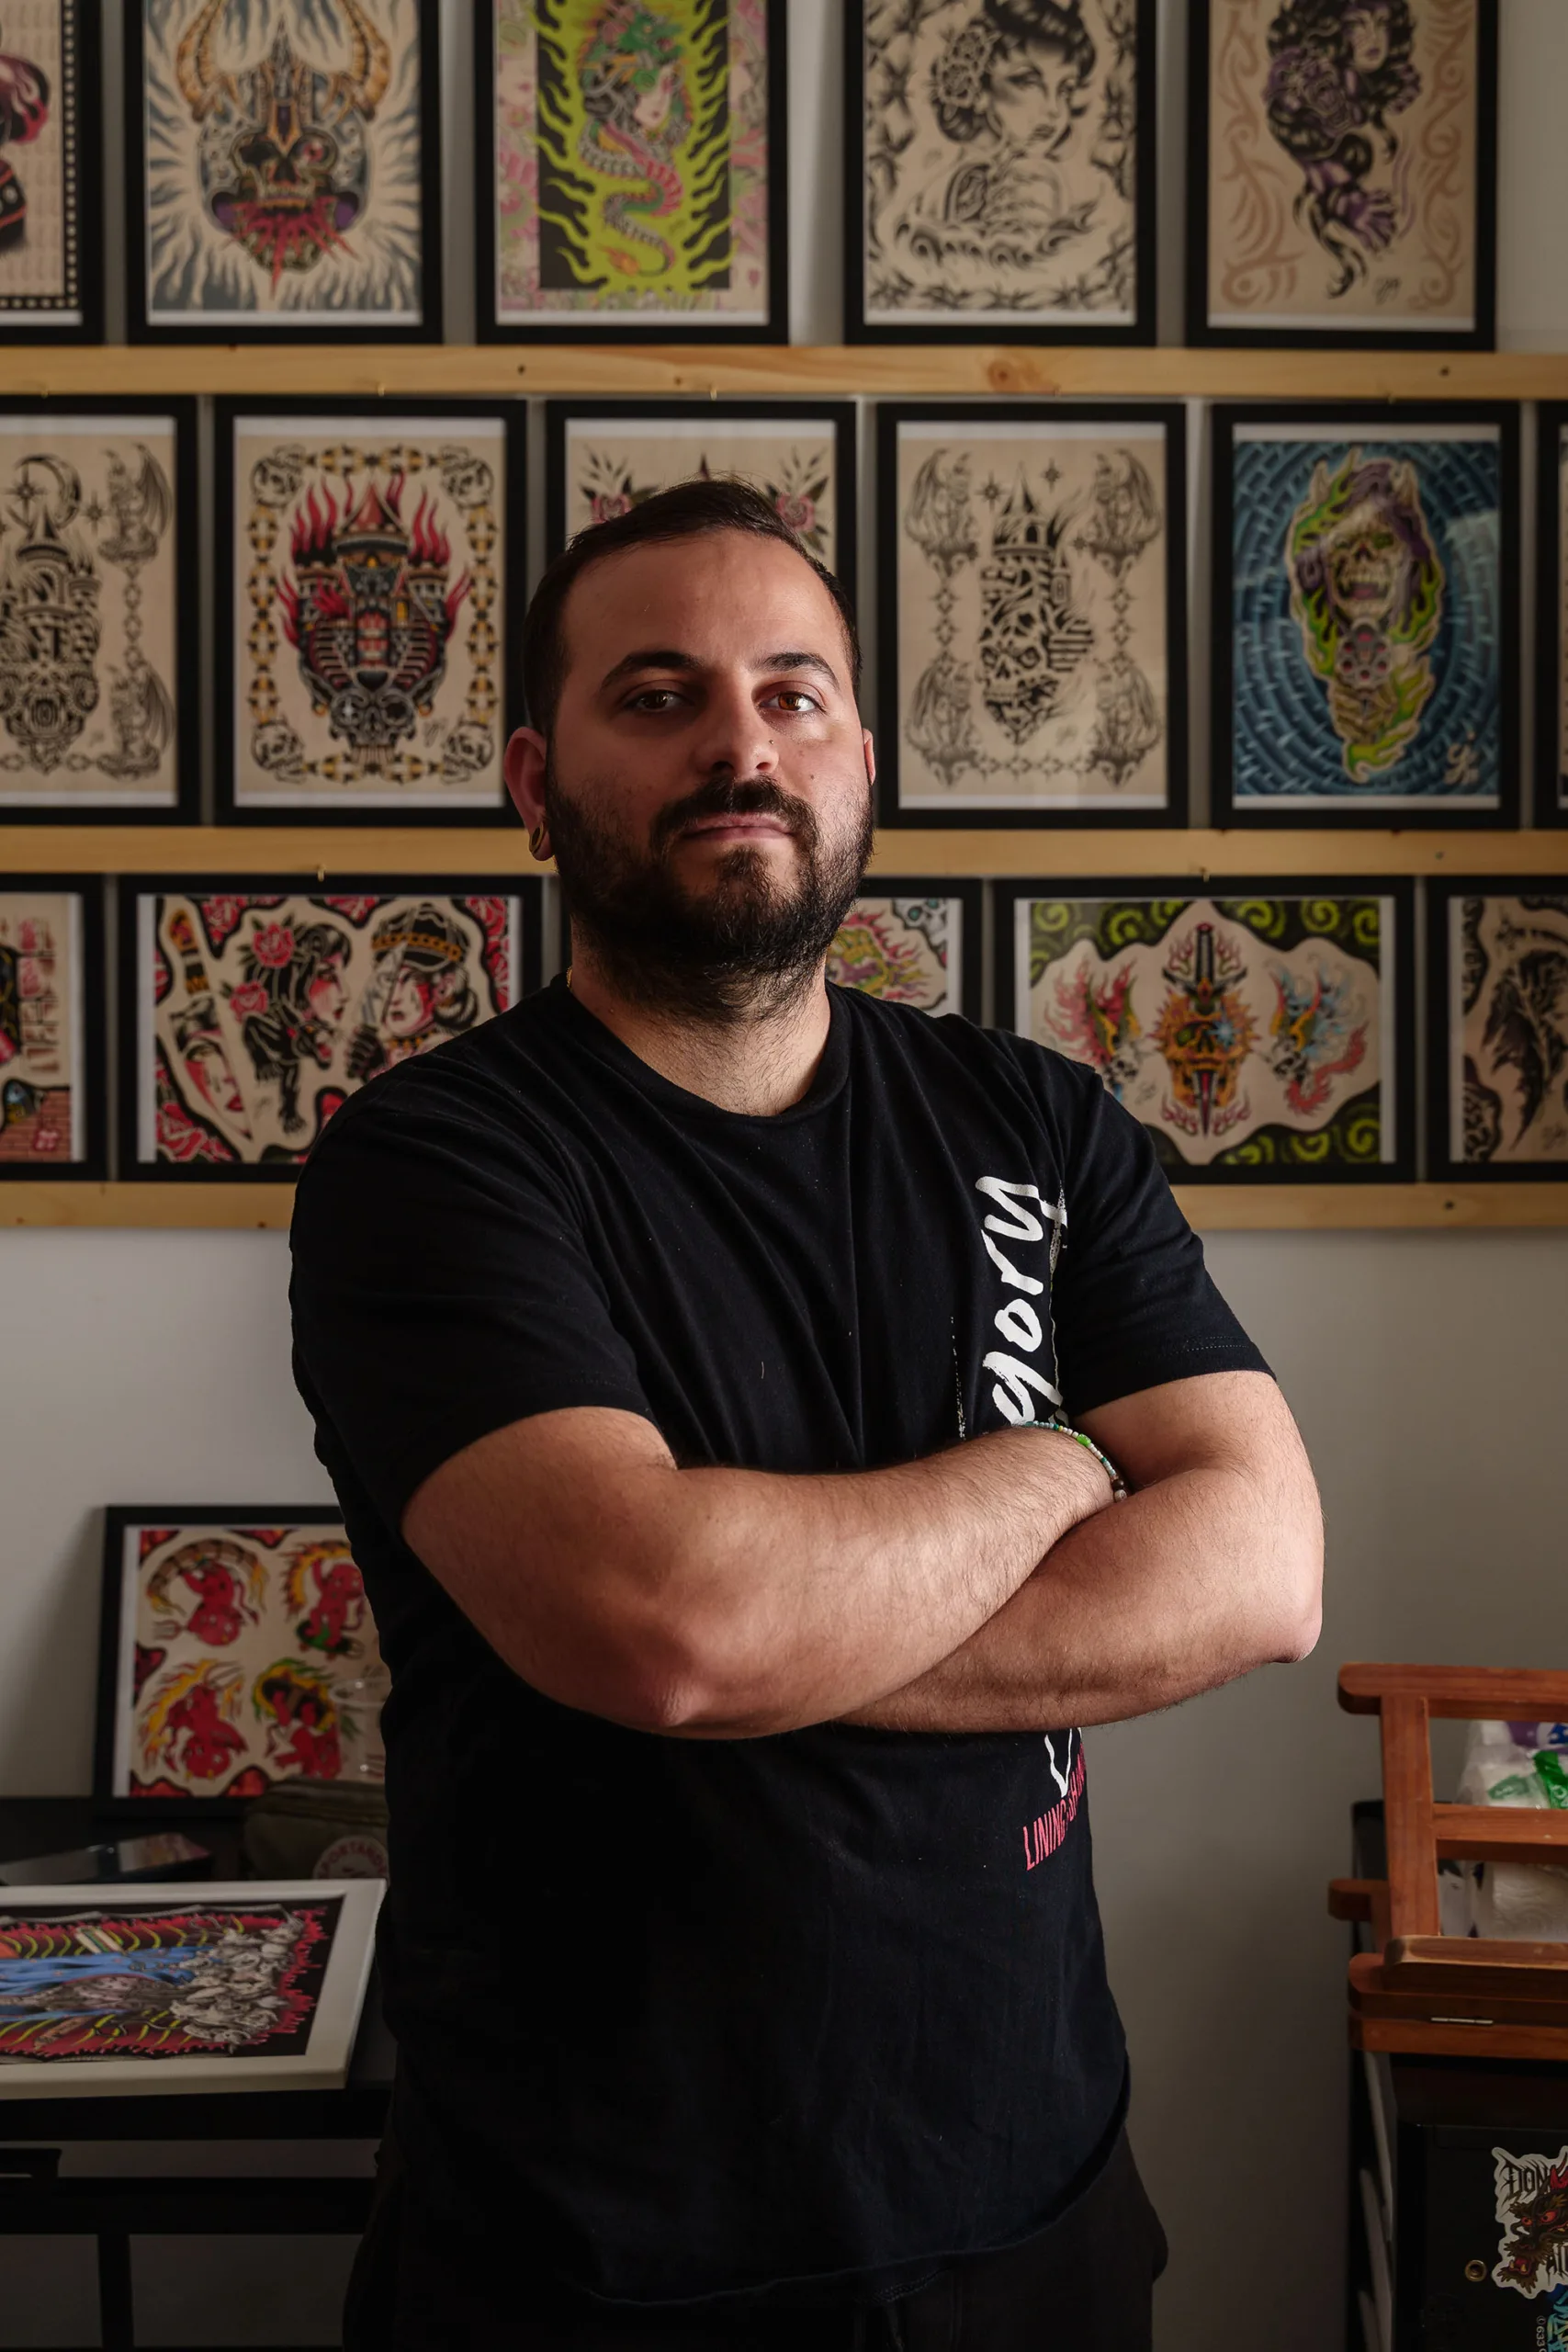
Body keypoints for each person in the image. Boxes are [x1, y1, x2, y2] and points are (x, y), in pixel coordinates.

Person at [289, 479, 1323, 2350]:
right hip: (588, 2260)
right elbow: (667, 1624)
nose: (738, 745)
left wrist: (785, 1611)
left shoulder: (1041, 1123)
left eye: (792, 693)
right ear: (535, 776)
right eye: (659, 694)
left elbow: (1260, 1565)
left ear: (864, 761)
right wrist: (1072, 1460)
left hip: (1034, 2217)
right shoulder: (434, 1164)